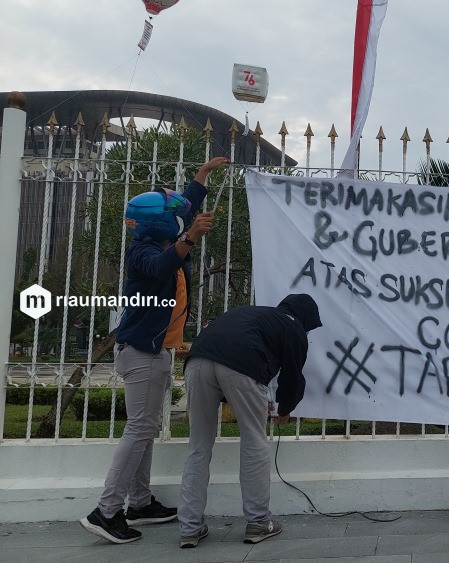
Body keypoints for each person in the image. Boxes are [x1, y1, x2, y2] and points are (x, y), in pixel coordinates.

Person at [80, 156, 227, 544]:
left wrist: (203, 175)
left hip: (156, 351)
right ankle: (106, 511)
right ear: (159, 224)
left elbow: (186, 212)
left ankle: (140, 504)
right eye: (173, 218)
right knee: (141, 428)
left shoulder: (163, 238)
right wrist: (189, 237)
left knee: (143, 428)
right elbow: (162, 265)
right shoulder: (142, 251)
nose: (181, 220)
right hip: (142, 353)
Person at [177, 293, 322, 548]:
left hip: (197, 360)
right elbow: (292, 376)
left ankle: (189, 527)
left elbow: (221, 365)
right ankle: (258, 522)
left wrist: (250, 394)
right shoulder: (294, 327)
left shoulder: (255, 315)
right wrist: (285, 410)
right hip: (242, 365)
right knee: (254, 441)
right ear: (305, 318)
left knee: (198, 446)